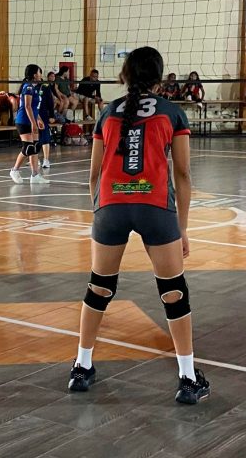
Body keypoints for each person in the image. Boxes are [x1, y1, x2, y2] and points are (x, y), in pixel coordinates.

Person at [68, 46, 209, 404]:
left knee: (99, 287)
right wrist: (182, 227)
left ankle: (82, 366)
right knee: (173, 290)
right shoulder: (172, 112)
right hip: (154, 206)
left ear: (125, 76)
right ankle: (188, 377)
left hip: (110, 206)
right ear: (159, 79)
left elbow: (94, 175)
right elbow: (182, 174)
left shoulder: (107, 112)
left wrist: (101, 212)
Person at [9, 65, 48, 184]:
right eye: (39, 72)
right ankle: (14, 170)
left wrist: (39, 119)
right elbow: (27, 106)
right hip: (24, 121)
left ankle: (35, 175)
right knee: (28, 147)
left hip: (32, 120)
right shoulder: (28, 87)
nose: (41, 75)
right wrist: (33, 123)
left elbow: (34, 107)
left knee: (35, 146)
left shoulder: (35, 87)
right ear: (34, 75)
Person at [39, 70, 57, 170]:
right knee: (33, 139)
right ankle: (34, 159)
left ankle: (46, 160)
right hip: (32, 115)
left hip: (43, 115)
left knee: (45, 137)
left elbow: (50, 102)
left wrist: (51, 115)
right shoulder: (28, 86)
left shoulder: (45, 86)